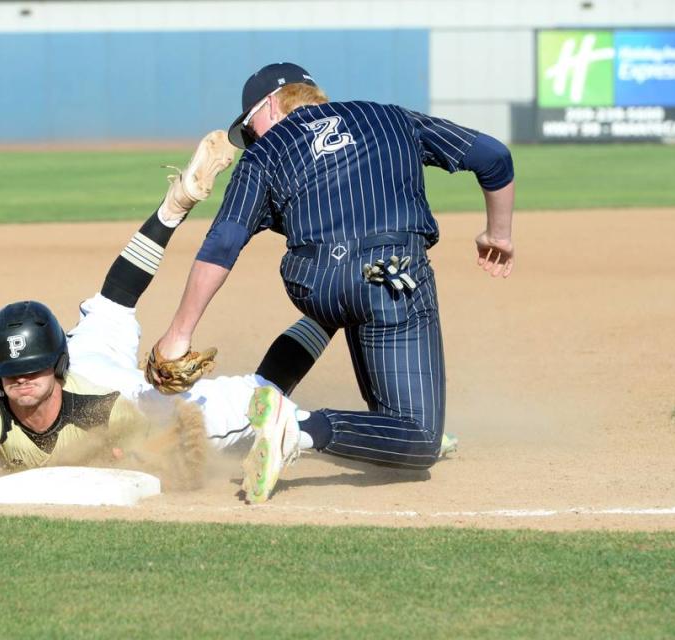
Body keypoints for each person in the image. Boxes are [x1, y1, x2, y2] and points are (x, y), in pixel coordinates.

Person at [0, 131, 325, 497]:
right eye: (11, 372)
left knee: (256, 402)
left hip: (122, 391)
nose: (19, 379)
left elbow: (160, 459)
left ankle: (326, 315)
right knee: (113, 302)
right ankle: (173, 207)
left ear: (54, 369)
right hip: (82, 353)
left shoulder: (112, 407)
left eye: (31, 371)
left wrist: (136, 455)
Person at [152, 62, 514, 503]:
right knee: (420, 436)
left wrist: (179, 334)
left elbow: (223, 242)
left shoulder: (264, 154)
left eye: (249, 129)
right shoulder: (390, 117)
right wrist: (498, 235)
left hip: (316, 286)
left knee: (345, 306)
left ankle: (378, 427)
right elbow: (494, 157)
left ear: (269, 106)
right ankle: (301, 429)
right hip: (391, 275)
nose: (251, 140)